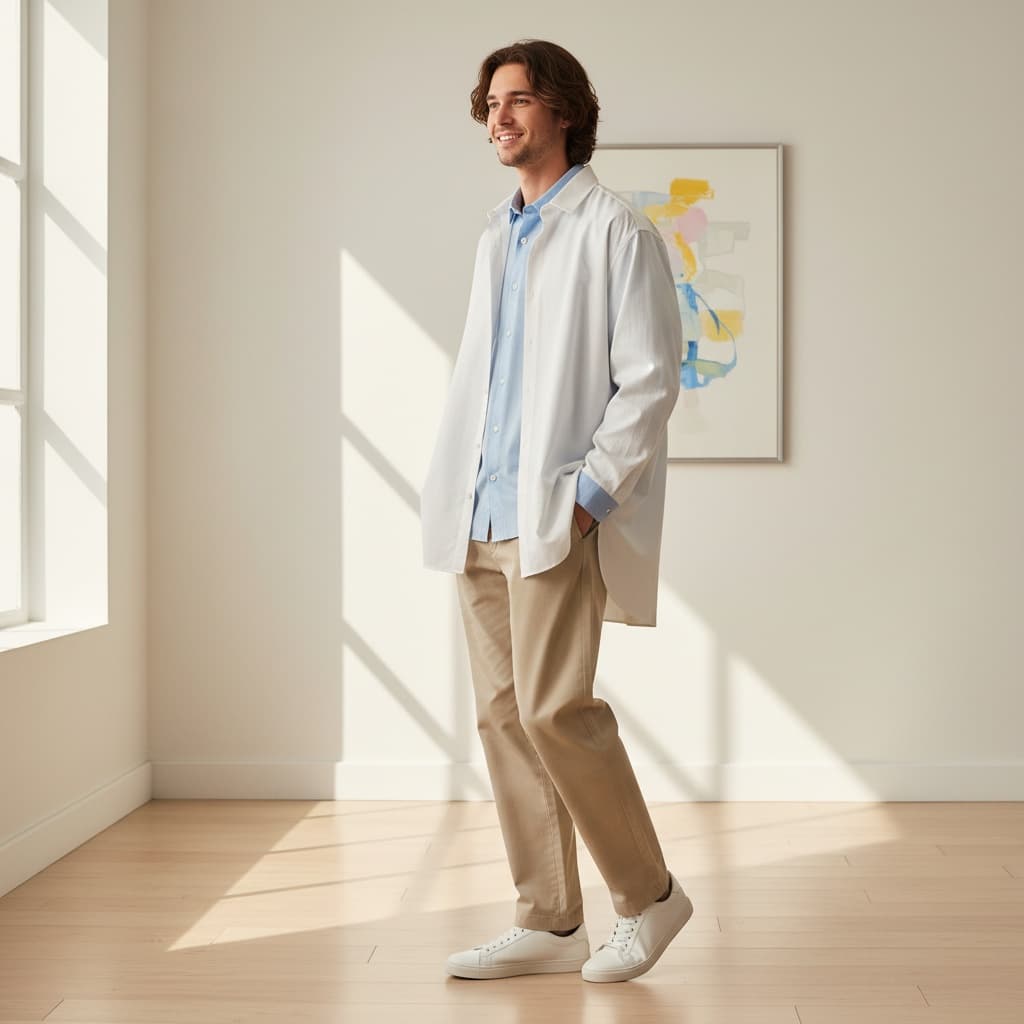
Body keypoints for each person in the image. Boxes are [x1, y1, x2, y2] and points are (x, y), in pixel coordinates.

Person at [420, 39, 692, 984]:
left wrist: (584, 503)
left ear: (565, 110)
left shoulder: (617, 231)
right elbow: (486, 385)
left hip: (550, 517)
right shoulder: (498, 235)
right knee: (501, 719)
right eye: (491, 102)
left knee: (553, 711)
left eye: (521, 99)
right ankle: (549, 916)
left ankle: (650, 898)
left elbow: (651, 384)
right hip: (478, 514)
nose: (500, 116)